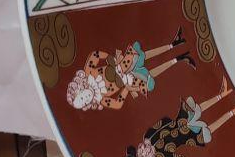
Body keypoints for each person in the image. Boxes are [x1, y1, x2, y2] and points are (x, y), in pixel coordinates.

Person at [123, 78, 235, 157]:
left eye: (140, 156)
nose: (143, 155)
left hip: (185, 129)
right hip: (184, 128)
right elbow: (164, 122)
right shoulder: (153, 144)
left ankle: (227, 103)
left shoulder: (158, 150)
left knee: (201, 116)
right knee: (203, 121)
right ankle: (230, 107)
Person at [65, 32, 193, 112]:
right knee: (148, 76)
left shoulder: (88, 73)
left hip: (120, 66)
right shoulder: (101, 99)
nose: (86, 99)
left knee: (141, 55)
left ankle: (173, 44)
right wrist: (126, 88)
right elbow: (117, 104)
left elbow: (95, 55)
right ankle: (178, 59)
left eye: (82, 97)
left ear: (80, 88)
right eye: (85, 103)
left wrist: (110, 59)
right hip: (127, 80)